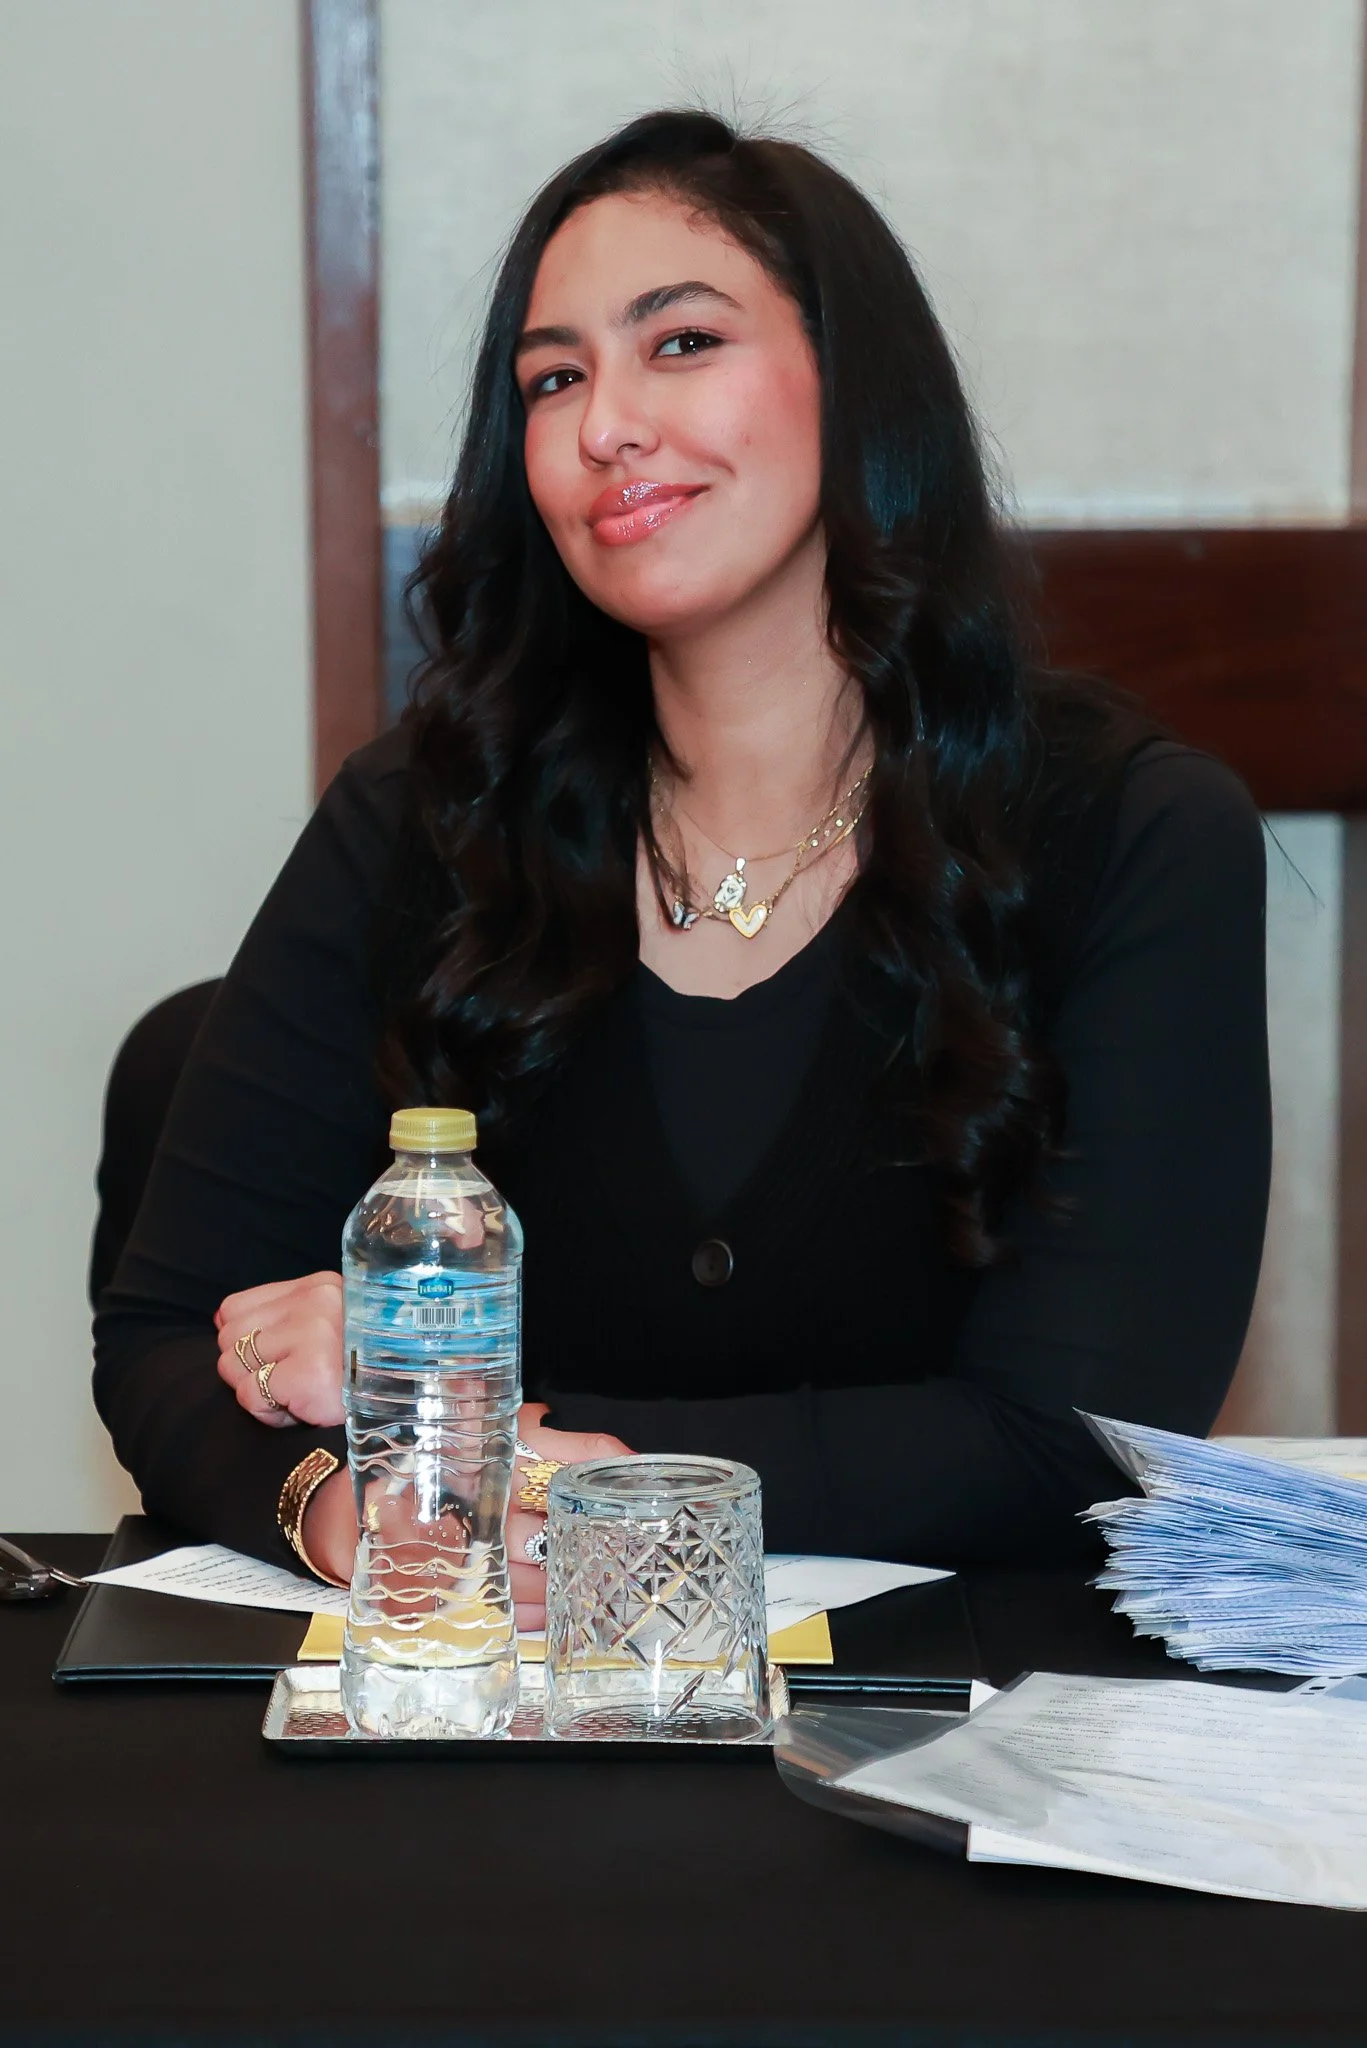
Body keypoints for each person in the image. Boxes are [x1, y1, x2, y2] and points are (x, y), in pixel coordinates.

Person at [93, 110, 1270, 1623]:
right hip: (474, 1728)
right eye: (554, 379)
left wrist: (532, 1461)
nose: (606, 427)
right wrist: (343, 1512)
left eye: (683, 342)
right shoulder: (421, 816)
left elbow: (1076, 1443)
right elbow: (169, 1332)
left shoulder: (1127, 835)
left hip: (921, 1730)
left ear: (855, 389)